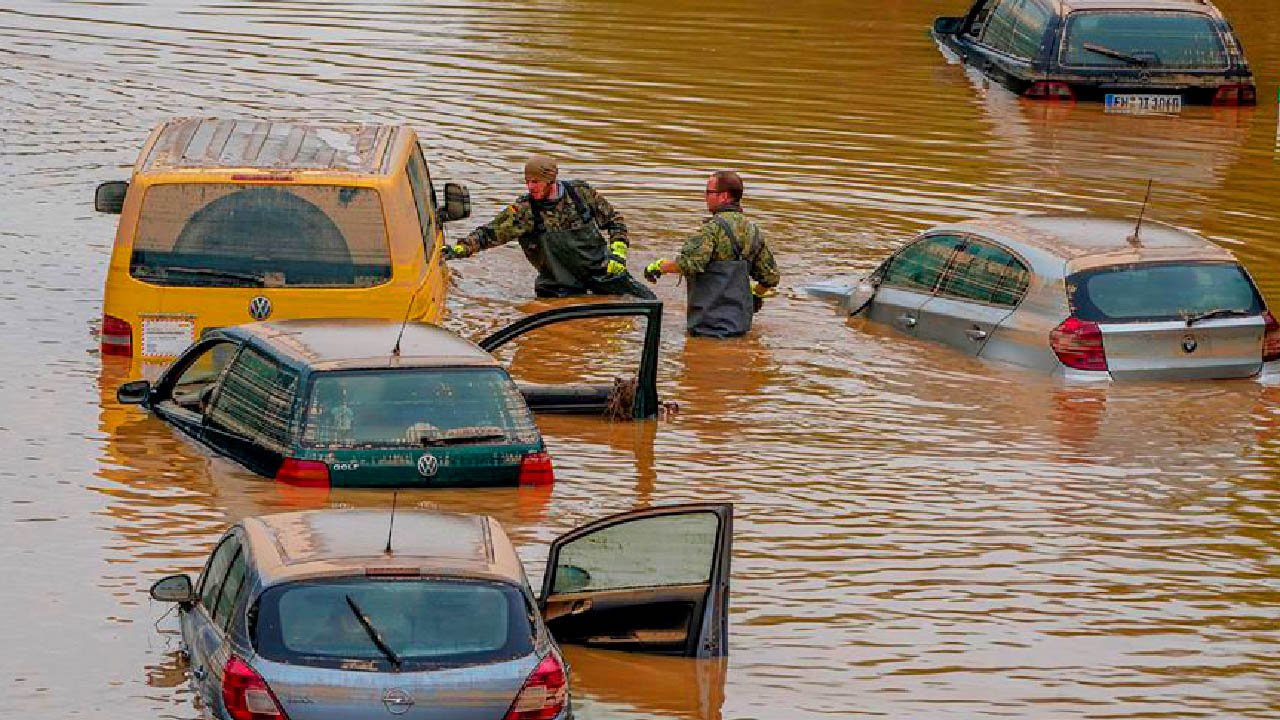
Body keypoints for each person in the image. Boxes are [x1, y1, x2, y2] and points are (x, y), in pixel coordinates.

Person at [443, 155, 655, 300]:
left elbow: (615, 221)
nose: (530, 187)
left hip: (604, 275)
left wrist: (618, 252)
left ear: (551, 180)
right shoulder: (524, 210)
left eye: (536, 182)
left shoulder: (580, 193)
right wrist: (459, 249)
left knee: (649, 303)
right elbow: (489, 234)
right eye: (528, 181)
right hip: (559, 288)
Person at [643, 171, 779, 337]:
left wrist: (659, 266)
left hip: (707, 328)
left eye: (709, 192)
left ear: (723, 196)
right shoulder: (753, 230)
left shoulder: (711, 230)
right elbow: (770, 277)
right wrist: (755, 294)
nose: (705, 197)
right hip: (741, 326)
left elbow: (689, 264)